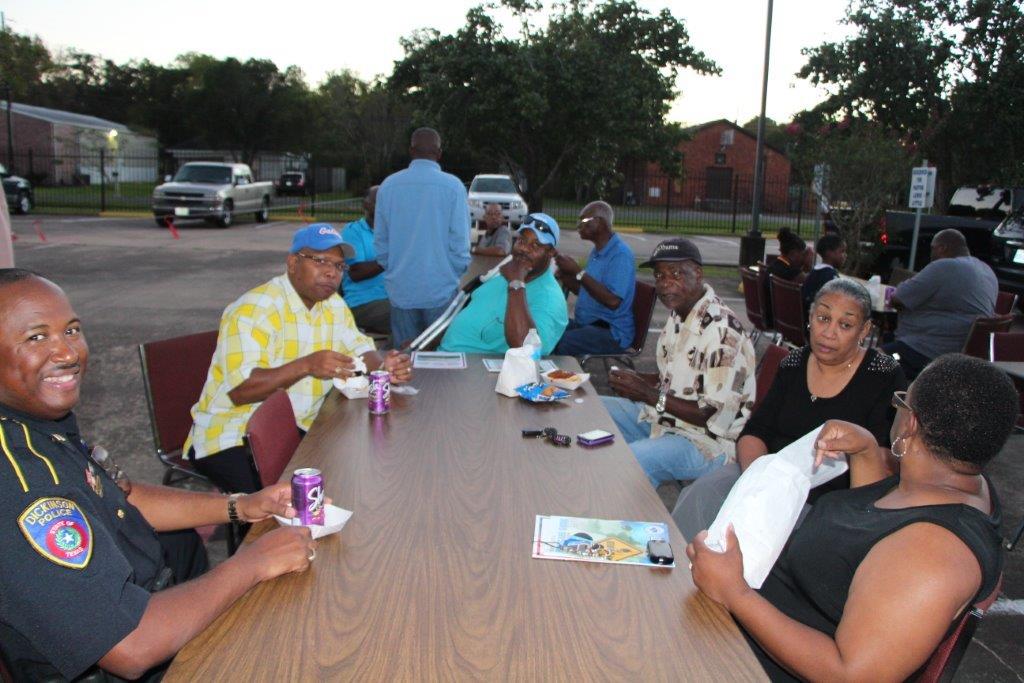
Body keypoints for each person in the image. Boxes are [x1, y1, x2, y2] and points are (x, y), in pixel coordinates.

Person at [0, 268, 317, 681]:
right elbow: (130, 646)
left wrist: (242, 506)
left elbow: (117, 495)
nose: (68, 353)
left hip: (157, 606)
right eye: (36, 337)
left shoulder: (38, 421)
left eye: (72, 330)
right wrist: (252, 562)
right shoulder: (25, 485)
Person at [687, 353, 1014, 682]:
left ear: (911, 423)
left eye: (902, 401)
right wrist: (867, 452)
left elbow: (852, 674)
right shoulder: (947, 479)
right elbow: (876, 534)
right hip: (750, 629)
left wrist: (734, 593)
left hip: (759, 665)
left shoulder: (935, 555)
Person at [187, 224, 413, 494]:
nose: (331, 272)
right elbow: (241, 391)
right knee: (286, 509)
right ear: (293, 263)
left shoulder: (331, 304)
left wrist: (383, 365)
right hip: (234, 434)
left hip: (300, 424)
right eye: (320, 261)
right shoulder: (254, 309)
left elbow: (361, 348)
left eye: (339, 266)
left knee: (361, 472)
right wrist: (307, 365)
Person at [673, 279, 907, 540]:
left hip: (832, 497)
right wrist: (757, 480)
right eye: (822, 318)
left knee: (780, 536)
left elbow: (888, 455)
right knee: (702, 495)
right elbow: (756, 431)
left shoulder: (883, 374)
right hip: (770, 475)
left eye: (845, 325)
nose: (829, 332)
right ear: (810, 317)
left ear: (864, 331)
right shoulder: (794, 362)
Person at [602, 238, 756, 488]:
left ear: (697, 273)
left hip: (708, 442)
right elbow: (671, 377)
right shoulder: (680, 314)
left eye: (675, 274)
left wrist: (648, 394)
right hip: (667, 421)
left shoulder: (722, 334)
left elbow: (710, 415)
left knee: (634, 460)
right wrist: (637, 381)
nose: (665, 284)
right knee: (598, 409)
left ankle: (626, 520)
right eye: (659, 276)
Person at [374, 127, 471, 347]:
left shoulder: (388, 186)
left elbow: (381, 242)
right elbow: (460, 243)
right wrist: (450, 273)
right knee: (441, 363)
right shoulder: (453, 187)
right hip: (441, 290)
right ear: (439, 153)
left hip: (401, 290)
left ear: (411, 151)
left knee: (404, 362)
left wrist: (394, 268)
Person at [439, 213, 568, 355]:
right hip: (444, 354)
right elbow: (457, 317)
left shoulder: (550, 299)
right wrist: (421, 349)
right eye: (522, 241)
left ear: (551, 253)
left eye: (536, 245)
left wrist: (516, 283)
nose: (524, 249)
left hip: (474, 369)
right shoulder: (504, 274)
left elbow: (527, 350)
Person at [882, 229, 997, 380]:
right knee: (887, 343)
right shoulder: (986, 269)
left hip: (928, 351)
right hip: (964, 353)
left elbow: (898, 298)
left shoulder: (944, 266)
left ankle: (887, 397)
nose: (931, 254)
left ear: (942, 248)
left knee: (871, 361)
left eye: (932, 248)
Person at [553, 201, 636, 356]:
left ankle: (563, 378)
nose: (579, 226)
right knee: (547, 328)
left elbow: (612, 301)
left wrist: (578, 272)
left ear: (599, 222)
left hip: (610, 331)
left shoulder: (620, 255)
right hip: (589, 325)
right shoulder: (597, 252)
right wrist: (566, 277)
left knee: (560, 342)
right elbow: (588, 291)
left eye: (584, 221)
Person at [340, 185, 391, 336]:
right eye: (379, 200)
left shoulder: (394, 231)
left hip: (393, 298)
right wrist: (391, 257)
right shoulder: (353, 231)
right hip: (362, 301)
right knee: (403, 319)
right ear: (366, 204)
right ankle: (386, 357)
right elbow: (356, 273)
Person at [763, 227, 808, 327]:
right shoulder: (791, 273)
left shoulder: (774, 266)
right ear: (793, 254)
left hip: (773, 317)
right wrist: (809, 265)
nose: (803, 258)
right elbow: (811, 284)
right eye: (802, 254)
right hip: (787, 323)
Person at [800, 232, 846, 313]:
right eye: (842, 251)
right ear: (829, 253)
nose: (845, 255)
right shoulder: (830, 276)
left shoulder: (815, 271)